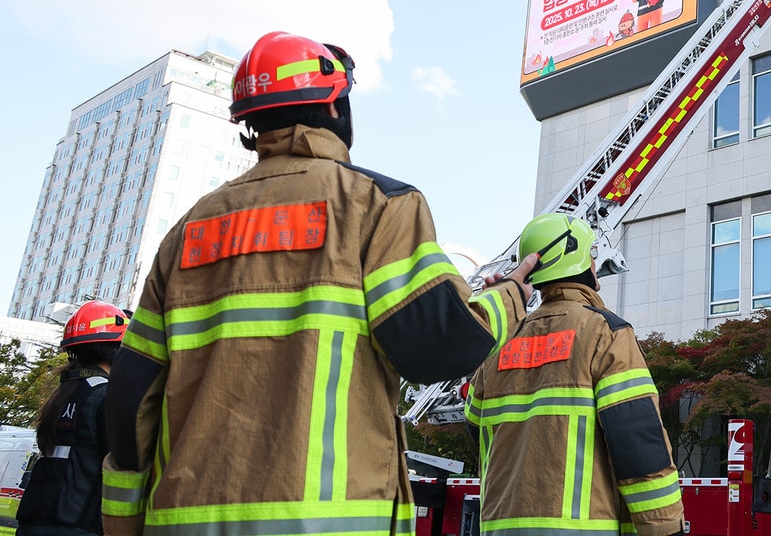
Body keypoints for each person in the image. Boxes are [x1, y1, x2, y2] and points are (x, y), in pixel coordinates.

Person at [101, 31, 537, 536]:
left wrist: (123, 520)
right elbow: (438, 348)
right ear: (335, 108)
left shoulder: (187, 233)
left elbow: (131, 396)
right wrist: (510, 297)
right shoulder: (377, 206)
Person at [466, 214, 685, 536]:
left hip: (502, 525)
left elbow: (477, 431)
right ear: (577, 258)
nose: (596, 264)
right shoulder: (605, 331)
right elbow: (636, 438)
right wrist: (665, 527)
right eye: (592, 255)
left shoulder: (500, 342)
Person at [15, 302, 127, 536]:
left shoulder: (60, 396)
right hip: (80, 526)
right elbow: (124, 466)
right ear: (115, 349)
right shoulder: (106, 396)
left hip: (34, 523)